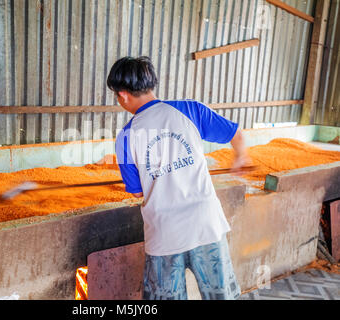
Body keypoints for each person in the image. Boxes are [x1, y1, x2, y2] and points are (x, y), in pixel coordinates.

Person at [107, 56, 252, 300]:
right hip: (206, 226)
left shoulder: (126, 136)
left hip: (165, 234)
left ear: (122, 95)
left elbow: (137, 192)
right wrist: (240, 157)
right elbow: (235, 133)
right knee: (222, 296)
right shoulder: (191, 109)